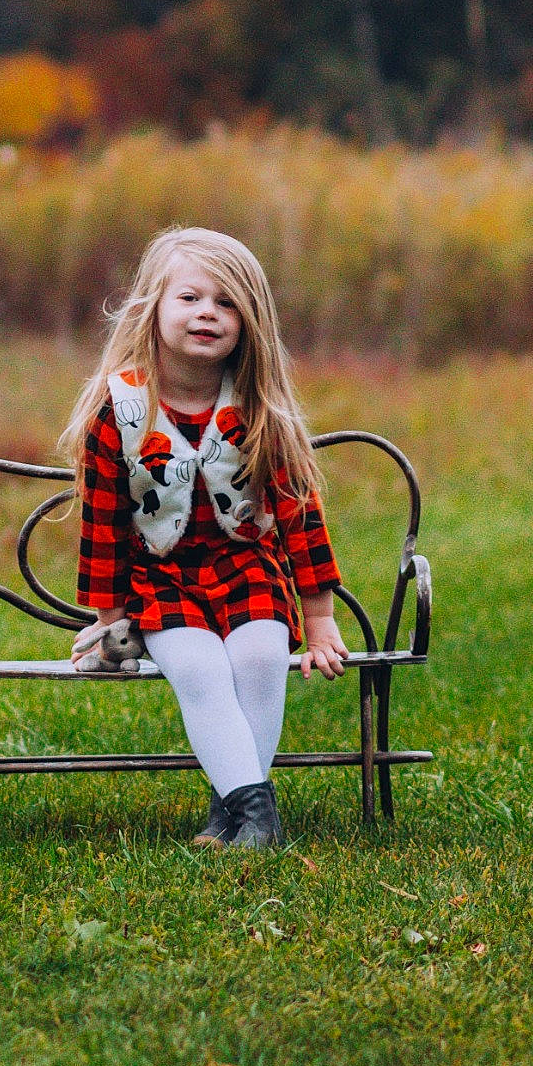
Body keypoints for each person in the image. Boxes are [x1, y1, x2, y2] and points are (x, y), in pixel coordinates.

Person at [60, 226, 348, 849]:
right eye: (190, 298)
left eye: (225, 303)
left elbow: (300, 515)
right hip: (162, 580)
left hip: (248, 568)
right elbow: (103, 526)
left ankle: (237, 816)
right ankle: (257, 817)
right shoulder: (120, 410)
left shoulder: (259, 408)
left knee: (260, 658)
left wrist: (320, 620)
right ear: (153, 309)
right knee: (200, 671)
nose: (207, 314)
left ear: (249, 322)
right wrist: (111, 621)